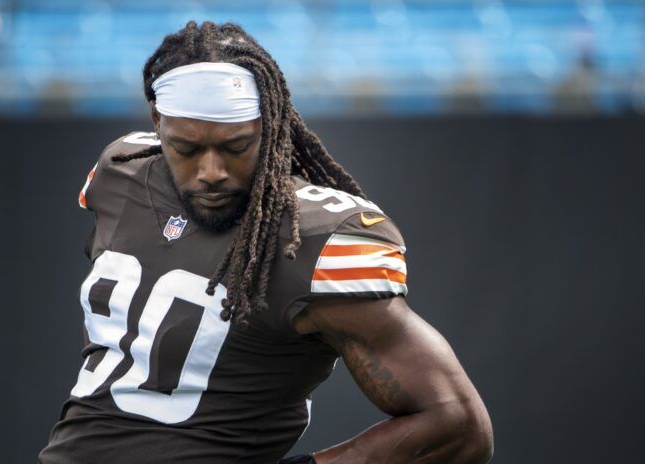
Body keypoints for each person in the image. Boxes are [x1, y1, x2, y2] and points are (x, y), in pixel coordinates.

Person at [39, 21, 493, 464]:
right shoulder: (122, 171)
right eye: (187, 148)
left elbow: (458, 425)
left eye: (236, 146)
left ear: (271, 126)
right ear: (157, 120)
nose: (212, 171)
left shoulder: (315, 239)